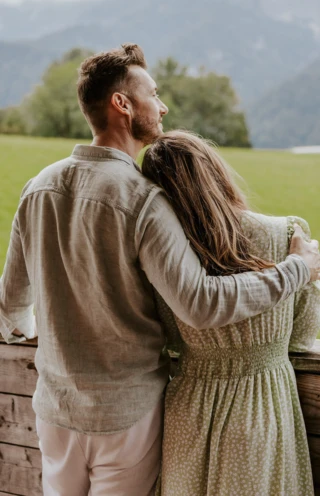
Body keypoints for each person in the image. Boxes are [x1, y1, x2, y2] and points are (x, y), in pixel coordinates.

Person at [0, 44, 319, 496]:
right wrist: (296, 269)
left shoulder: (39, 188)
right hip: (125, 417)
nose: (163, 105)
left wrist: (51, 329)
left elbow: (11, 306)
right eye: (154, 93)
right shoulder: (143, 201)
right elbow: (202, 304)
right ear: (122, 105)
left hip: (55, 411)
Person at [142, 130, 320, 496]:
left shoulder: (168, 258)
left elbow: (170, 337)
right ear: (215, 172)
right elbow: (303, 336)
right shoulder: (287, 234)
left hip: (188, 408)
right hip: (262, 406)